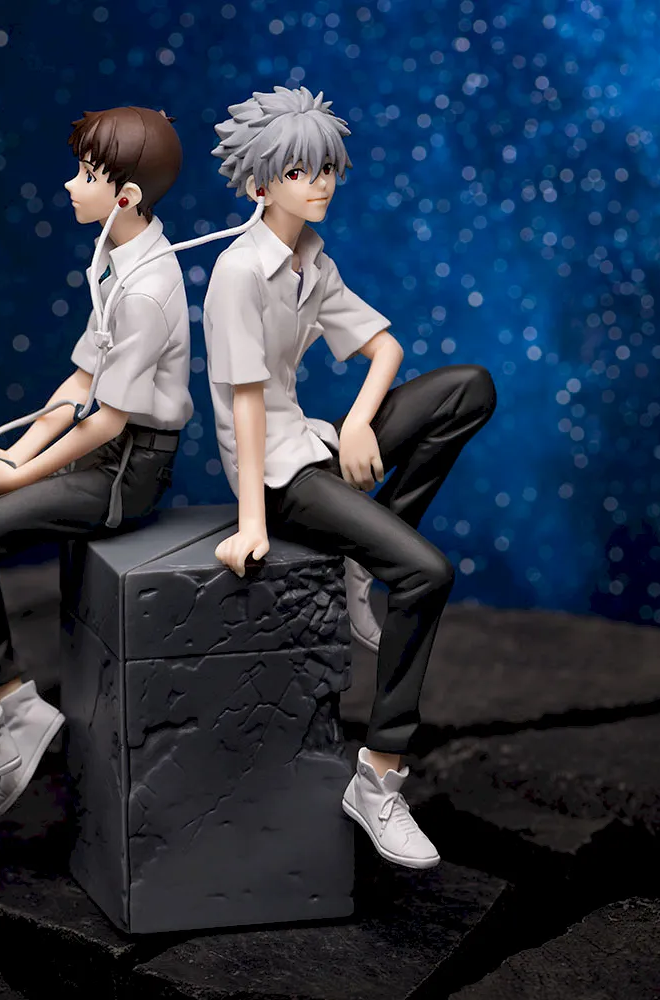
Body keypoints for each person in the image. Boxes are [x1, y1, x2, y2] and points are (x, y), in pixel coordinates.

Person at [204, 86, 496, 869]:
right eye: (299, 171)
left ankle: (367, 553)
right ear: (259, 184)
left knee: (468, 388)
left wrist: (362, 420)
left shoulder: (311, 260)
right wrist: (253, 522)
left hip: (316, 443)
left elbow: (385, 347)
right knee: (428, 573)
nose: (320, 183)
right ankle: (379, 775)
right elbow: (244, 403)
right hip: (276, 476)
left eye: (327, 167)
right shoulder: (238, 273)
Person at [0, 106, 191, 822]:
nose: (70, 185)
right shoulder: (118, 262)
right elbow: (79, 384)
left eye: (88, 175)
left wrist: (20, 479)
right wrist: (13, 455)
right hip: (95, 454)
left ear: (125, 196)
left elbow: (109, 418)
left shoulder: (148, 288)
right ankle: (10, 704)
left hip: (125, 475)